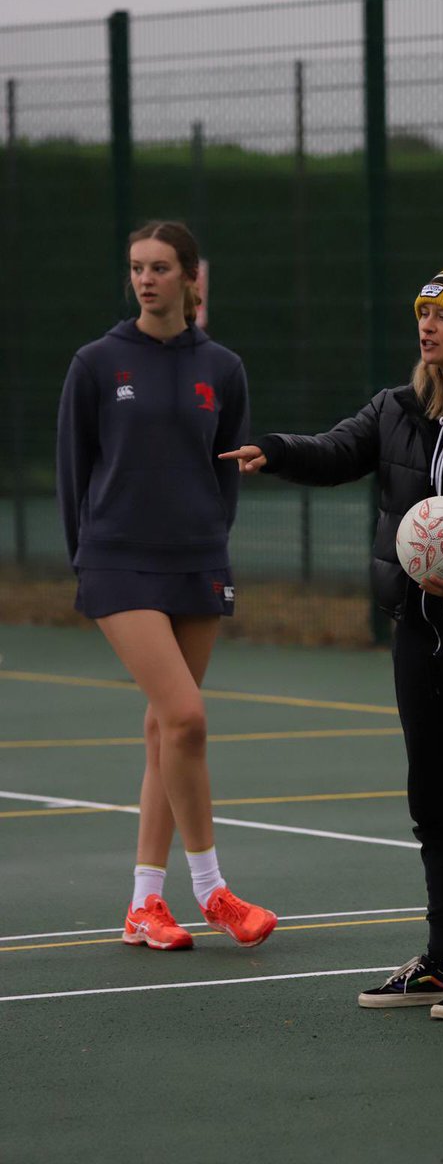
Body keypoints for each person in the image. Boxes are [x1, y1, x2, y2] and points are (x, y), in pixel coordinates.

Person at [221, 255, 443, 1018]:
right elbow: (336, 450)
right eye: (422, 313)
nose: (427, 325)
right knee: (433, 802)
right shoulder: (395, 409)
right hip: (416, 633)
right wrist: (276, 449)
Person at [56, 220, 277, 951]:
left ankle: (144, 904)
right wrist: (83, 560)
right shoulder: (95, 363)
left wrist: (211, 539)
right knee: (185, 718)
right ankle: (212, 890)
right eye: (136, 268)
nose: (145, 280)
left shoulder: (225, 366)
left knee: (163, 734)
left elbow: (226, 469)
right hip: (117, 560)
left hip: (197, 561)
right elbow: (72, 473)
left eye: (159, 268)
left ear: (191, 279)